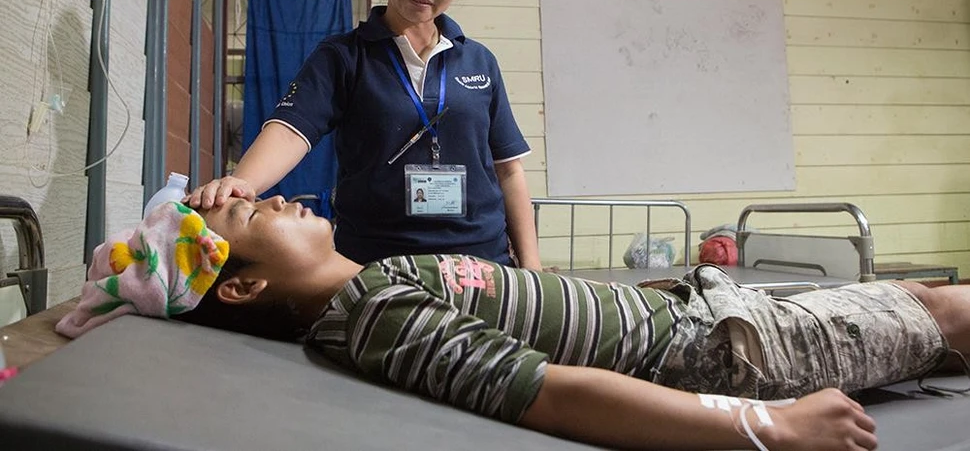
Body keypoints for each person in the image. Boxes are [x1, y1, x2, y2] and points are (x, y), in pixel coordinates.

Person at [58, 199, 970, 451]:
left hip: (696, 312)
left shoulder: (370, 285)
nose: (284, 203)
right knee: (938, 309)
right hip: (722, 353)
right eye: (262, 220)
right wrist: (766, 426)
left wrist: (224, 213)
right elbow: (549, 394)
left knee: (931, 303)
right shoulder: (373, 312)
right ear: (247, 290)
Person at [186, 0, 540, 270]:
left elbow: (509, 170)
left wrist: (531, 269)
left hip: (482, 263)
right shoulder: (343, 57)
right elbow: (291, 131)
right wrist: (241, 184)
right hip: (377, 267)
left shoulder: (480, 62)